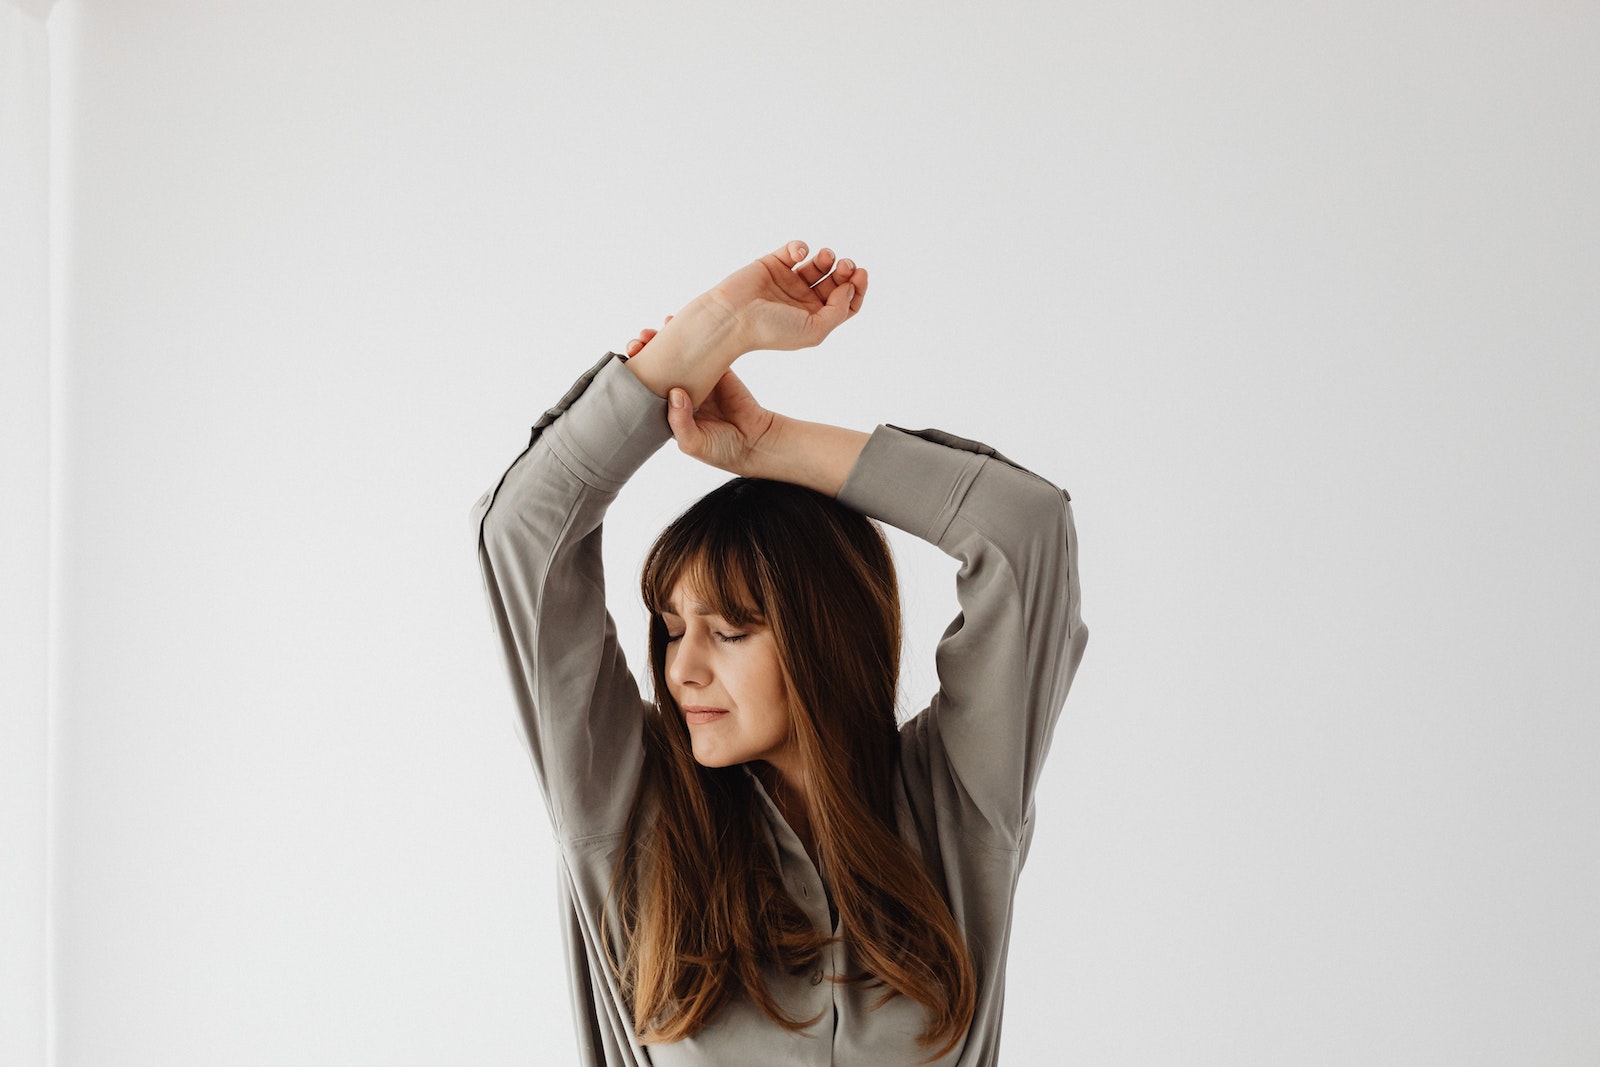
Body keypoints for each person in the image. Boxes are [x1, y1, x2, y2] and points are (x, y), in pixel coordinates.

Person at [471, 240, 1088, 1066]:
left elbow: (1027, 535)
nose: (681, 669)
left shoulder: (954, 803)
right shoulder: (631, 814)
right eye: (670, 627)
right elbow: (525, 536)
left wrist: (770, 443)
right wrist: (703, 340)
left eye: (728, 631)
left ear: (821, 638)